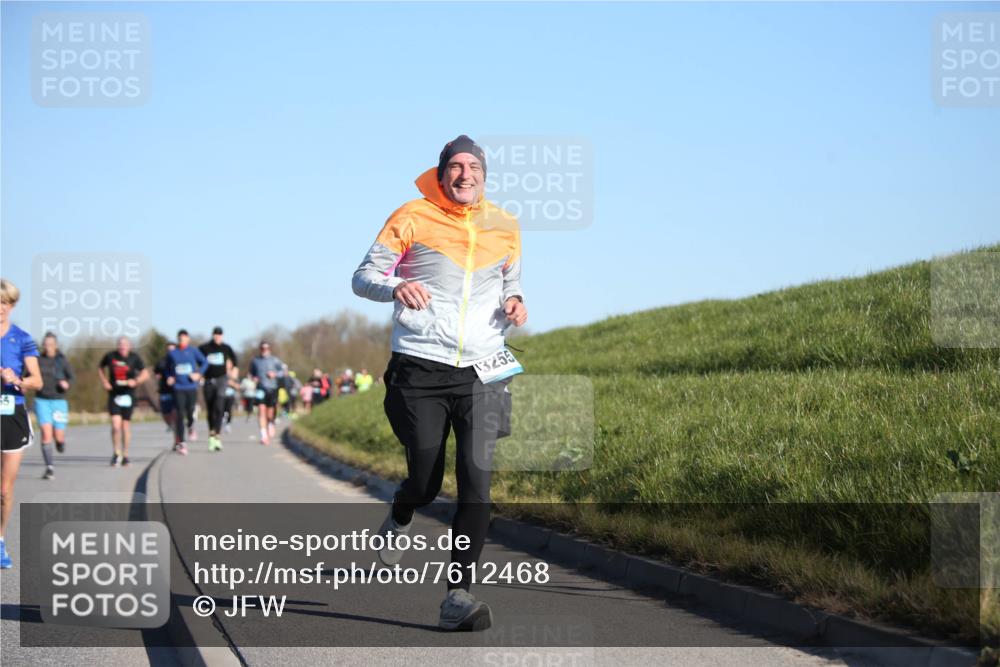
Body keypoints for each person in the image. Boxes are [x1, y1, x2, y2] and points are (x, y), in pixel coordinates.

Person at [352, 135, 527, 631]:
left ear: (485, 176)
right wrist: (395, 285)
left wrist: (516, 302)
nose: (465, 174)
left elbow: (510, 282)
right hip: (421, 366)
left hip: (483, 370)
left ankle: (458, 596)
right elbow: (363, 276)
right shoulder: (411, 215)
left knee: (477, 485)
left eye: (474, 166)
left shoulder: (506, 226)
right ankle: (403, 512)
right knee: (425, 481)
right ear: (441, 173)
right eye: (455, 166)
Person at [1, 279, 43, 568]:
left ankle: (0, 540)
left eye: (4, 303)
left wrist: (16, 380)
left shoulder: (22, 338)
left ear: (12, 305)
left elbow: (37, 381)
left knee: (4, 489)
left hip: (11, 415)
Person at [98, 336, 149, 467]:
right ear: (117, 346)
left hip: (128, 395)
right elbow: (100, 367)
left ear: (129, 346)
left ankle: (125, 454)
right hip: (114, 394)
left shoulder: (134, 357)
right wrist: (104, 381)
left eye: (125, 344)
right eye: (120, 344)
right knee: (116, 426)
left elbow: (145, 374)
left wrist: (136, 381)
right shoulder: (110, 356)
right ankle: (116, 453)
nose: (122, 347)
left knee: (125, 426)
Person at [34, 332, 75, 480]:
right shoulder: (37, 360)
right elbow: (28, 375)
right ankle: (49, 467)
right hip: (41, 400)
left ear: (55, 345)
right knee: (46, 433)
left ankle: (60, 442)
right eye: (45, 344)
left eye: (50, 344)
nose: (47, 346)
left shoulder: (62, 360)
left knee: (58, 435)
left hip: (59, 401)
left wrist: (67, 384)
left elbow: (71, 377)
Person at [165, 329, 208, 455]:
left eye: (184, 338)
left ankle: (191, 426)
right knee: (179, 414)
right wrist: (169, 376)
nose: (182, 341)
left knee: (190, 411)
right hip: (178, 387)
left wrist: (198, 374)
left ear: (188, 339)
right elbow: (167, 368)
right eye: (180, 339)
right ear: (178, 340)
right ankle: (182, 443)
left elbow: (205, 362)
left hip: (191, 387)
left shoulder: (193, 351)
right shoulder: (173, 353)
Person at [198, 326, 238, 452]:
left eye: (220, 334)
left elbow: (235, 361)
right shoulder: (205, 348)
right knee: (210, 409)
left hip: (222, 379)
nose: (217, 336)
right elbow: (196, 360)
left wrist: (233, 372)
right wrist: (199, 374)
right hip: (208, 380)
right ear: (213, 335)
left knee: (219, 408)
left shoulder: (226, 348)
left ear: (222, 336)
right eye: (215, 334)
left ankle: (218, 436)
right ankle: (211, 434)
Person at [249, 341, 284, 445]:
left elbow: (283, 372)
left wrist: (275, 374)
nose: (264, 350)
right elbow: (251, 373)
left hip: (272, 388)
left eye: (266, 348)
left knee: (270, 412)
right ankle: (264, 435)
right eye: (262, 349)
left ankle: (271, 423)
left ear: (269, 349)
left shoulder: (275, 360)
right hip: (260, 388)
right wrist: (253, 378)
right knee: (261, 410)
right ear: (260, 349)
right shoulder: (255, 361)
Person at [154, 342, 177, 434]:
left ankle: (177, 434)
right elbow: (156, 372)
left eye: (172, 350)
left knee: (175, 413)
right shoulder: (161, 362)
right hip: (164, 390)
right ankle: (170, 425)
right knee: (165, 413)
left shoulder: (180, 361)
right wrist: (158, 376)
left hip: (177, 390)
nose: (170, 351)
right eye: (168, 350)